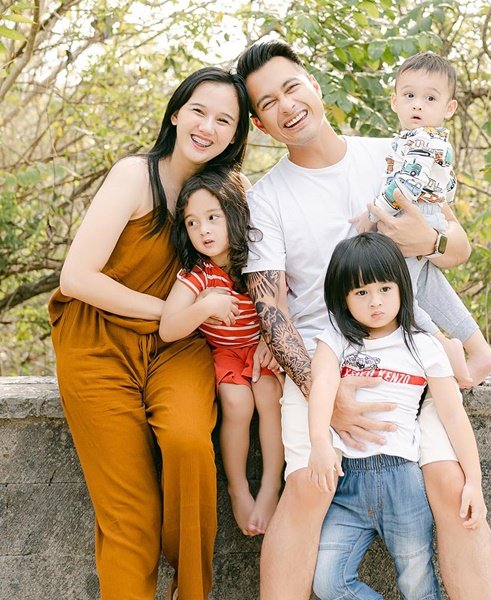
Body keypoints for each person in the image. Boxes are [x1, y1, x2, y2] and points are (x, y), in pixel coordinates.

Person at [233, 40, 491, 599]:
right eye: (268, 102)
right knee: (308, 486)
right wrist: (323, 394)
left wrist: (426, 238)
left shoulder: (392, 153)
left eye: (292, 87)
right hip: (323, 361)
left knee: (451, 485)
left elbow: (458, 249)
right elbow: (271, 309)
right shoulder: (268, 198)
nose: (286, 105)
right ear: (259, 122)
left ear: (314, 86)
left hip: (409, 348)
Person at [49, 67, 250, 599]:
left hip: (180, 344)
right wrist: (172, 309)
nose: (207, 126)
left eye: (224, 120)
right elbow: (76, 277)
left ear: (236, 135)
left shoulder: (227, 195)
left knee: (189, 444)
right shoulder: (134, 176)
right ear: (175, 113)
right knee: (130, 513)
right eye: (198, 111)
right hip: (99, 340)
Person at [305, 233, 487, 600]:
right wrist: (319, 444)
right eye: (361, 293)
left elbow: (453, 417)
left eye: (385, 288)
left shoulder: (422, 343)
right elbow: (322, 385)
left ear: (402, 288)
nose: (375, 302)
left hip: (402, 480)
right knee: (327, 582)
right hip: (345, 485)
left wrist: (474, 483)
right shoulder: (336, 339)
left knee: (417, 584)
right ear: (342, 298)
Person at [348, 51, 491, 388]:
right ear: (395, 100)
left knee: (402, 295)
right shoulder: (428, 141)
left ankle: (446, 348)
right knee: (431, 287)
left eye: (430, 98)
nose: (418, 105)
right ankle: (480, 350)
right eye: (410, 96)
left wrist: (372, 216)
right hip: (428, 216)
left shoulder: (421, 140)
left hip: (412, 215)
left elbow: (406, 185)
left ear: (449, 108)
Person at [159, 169, 284, 537]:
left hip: (261, 348)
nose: (204, 230)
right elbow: (168, 327)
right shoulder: (198, 275)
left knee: (269, 397)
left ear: (235, 212)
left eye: (213, 217)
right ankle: (238, 486)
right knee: (236, 401)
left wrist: (270, 340)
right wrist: (205, 307)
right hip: (226, 353)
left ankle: (271, 485)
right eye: (193, 223)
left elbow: (281, 302)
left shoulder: (258, 259)